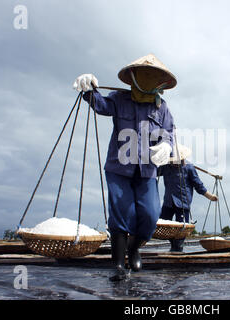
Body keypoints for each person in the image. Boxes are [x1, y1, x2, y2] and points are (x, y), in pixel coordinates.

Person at [73, 54, 176, 281]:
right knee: (122, 212)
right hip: (119, 167)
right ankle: (119, 263)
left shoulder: (162, 108)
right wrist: (89, 90)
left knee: (150, 215)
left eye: (155, 77)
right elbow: (101, 106)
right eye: (145, 75)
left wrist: (167, 145)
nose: (150, 80)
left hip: (147, 170)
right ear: (133, 77)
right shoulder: (120, 99)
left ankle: (134, 248)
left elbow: (169, 131)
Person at [159, 144, 218, 252]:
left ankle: (177, 248)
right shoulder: (166, 167)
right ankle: (174, 245)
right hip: (168, 201)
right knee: (163, 224)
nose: (174, 162)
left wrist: (209, 196)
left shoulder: (189, 168)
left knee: (182, 228)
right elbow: (153, 172)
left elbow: (198, 185)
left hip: (182, 202)